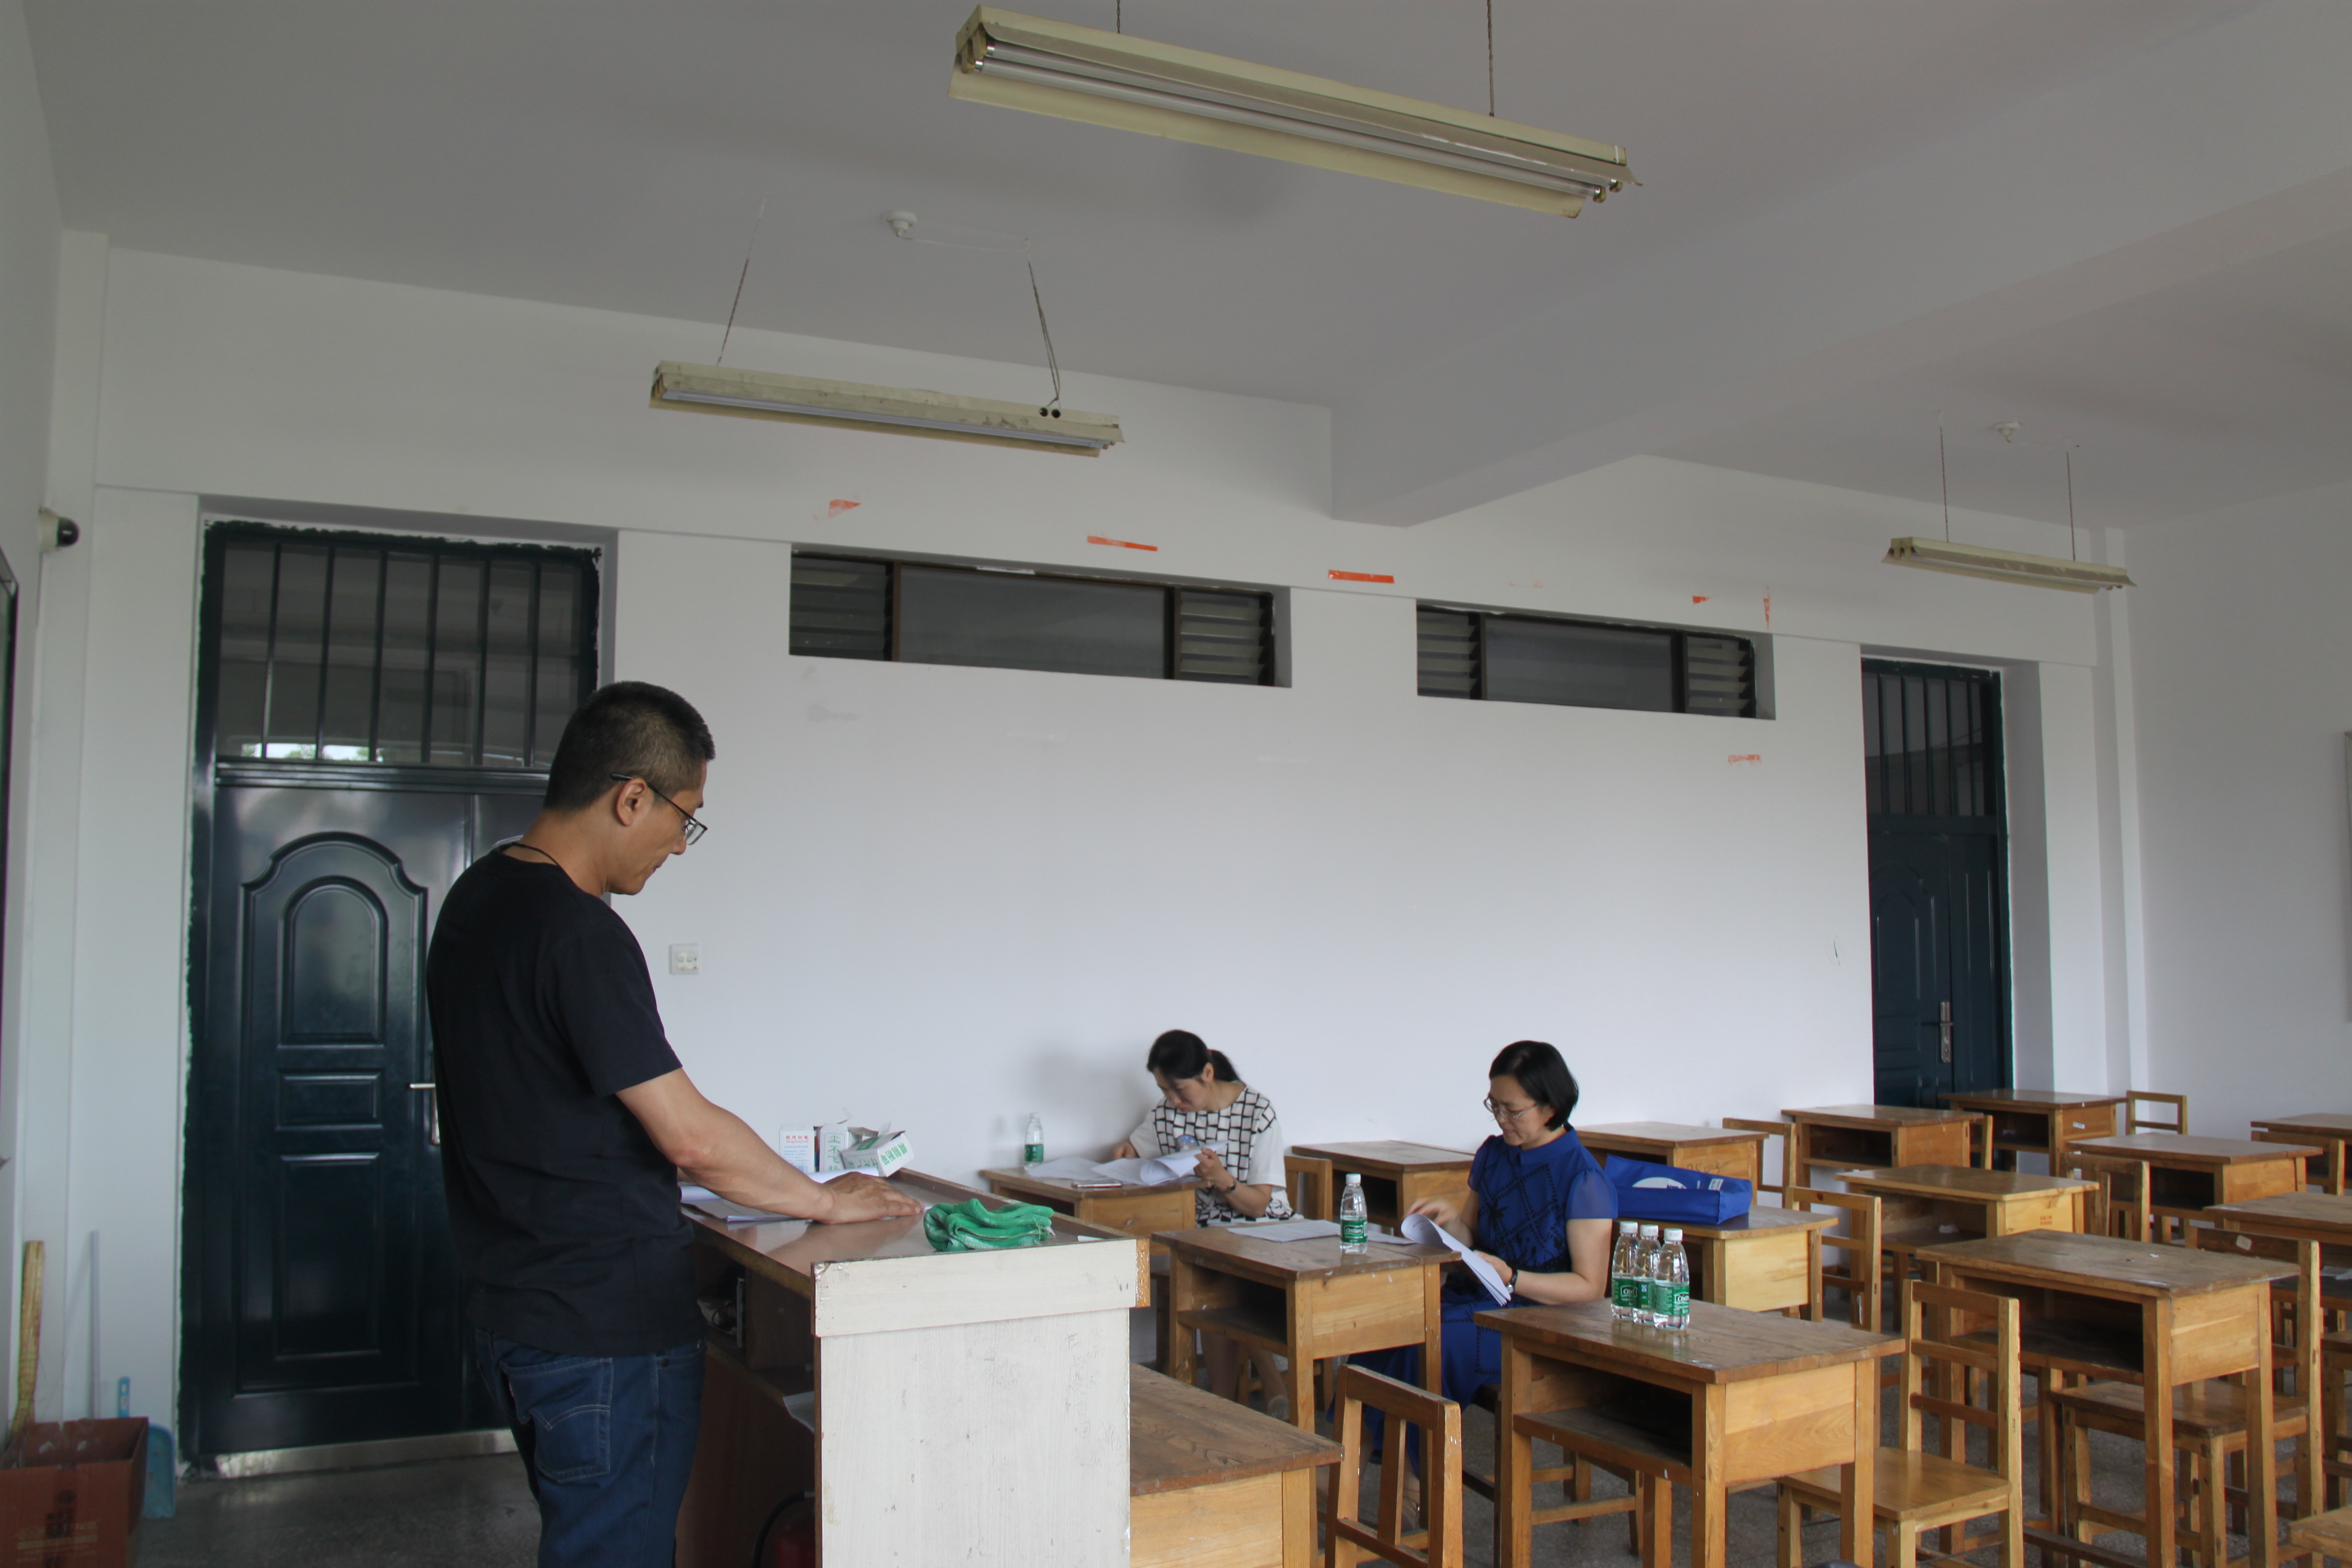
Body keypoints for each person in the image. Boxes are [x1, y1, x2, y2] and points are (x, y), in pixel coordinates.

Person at [426, 681, 918, 1568]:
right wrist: (824, 1201)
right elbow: (686, 1133)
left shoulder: (477, 899)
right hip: (603, 1328)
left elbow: (563, 1106)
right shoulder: (578, 931)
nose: (680, 845)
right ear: (631, 797)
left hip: (515, 1309)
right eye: (684, 817)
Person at [1358, 1039, 1615, 1480]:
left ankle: (1410, 1478)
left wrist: (1512, 1278)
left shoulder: (1583, 1177)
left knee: (1435, 1343)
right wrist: (1451, 1224)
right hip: (1481, 1295)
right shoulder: (1495, 1154)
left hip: (1539, 1320)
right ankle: (1355, 1463)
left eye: (1512, 1111)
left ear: (1551, 1108)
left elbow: (1590, 1288)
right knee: (1389, 1322)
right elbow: (1474, 1239)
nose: (1501, 1119)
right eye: (1494, 1106)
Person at [1111, 1029, 1294, 1403]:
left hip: (1265, 1227)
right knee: (1209, 1263)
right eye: (1165, 1091)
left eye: (1180, 1090)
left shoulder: (1257, 1112)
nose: (1174, 1101)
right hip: (1205, 1232)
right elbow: (1138, 1148)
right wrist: (1127, 1151)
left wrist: (1223, 1179)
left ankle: (1238, 1393)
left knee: (1216, 1270)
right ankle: (1244, 1392)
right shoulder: (1167, 1114)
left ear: (1208, 1074)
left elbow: (1259, 1205)